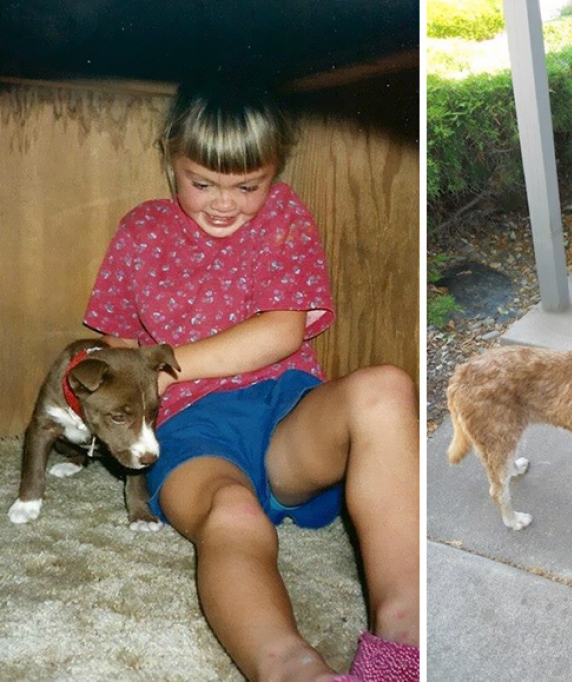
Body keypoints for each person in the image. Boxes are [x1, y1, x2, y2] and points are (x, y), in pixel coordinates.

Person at [83, 83, 419, 682]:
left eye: (247, 186)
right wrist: (138, 382)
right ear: (170, 158)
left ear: (275, 171)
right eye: (202, 182)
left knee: (386, 387)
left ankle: (406, 641)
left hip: (285, 411)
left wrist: (164, 364)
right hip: (189, 429)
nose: (224, 204)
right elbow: (117, 354)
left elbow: (282, 332)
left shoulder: (283, 213)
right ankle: (292, 669)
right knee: (232, 514)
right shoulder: (141, 229)